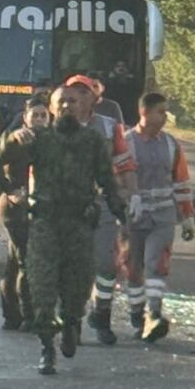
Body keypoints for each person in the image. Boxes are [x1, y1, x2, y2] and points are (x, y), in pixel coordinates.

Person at [0, 85, 127, 375]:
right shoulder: (39, 139)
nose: (67, 106)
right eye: (61, 102)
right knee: (42, 285)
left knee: (77, 287)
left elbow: (106, 178)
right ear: (51, 108)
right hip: (45, 224)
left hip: (78, 224)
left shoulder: (92, 140)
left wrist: (120, 210)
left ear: (83, 106)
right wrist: (12, 140)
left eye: (73, 101)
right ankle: (46, 348)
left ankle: (72, 324)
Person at [61, 74, 137, 346]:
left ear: (93, 98)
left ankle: (102, 315)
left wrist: (129, 196)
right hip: (67, 206)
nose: (77, 99)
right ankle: (73, 321)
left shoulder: (109, 127)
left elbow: (125, 164)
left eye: (83, 93)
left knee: (105, 263)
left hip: (102, 203)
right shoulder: (58, 127)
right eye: (72, 94)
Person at [121, 92, 195, 342]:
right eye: (160, 112)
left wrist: (187, 217)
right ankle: (136, 315)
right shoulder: (125, 142)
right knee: (133, 268)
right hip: (133, 215)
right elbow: (115, 177)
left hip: (163, 215)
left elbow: (181, 181)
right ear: (144, 113)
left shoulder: (171, 145)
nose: (165, 117)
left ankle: (154, 314)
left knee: (156, 264)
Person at [0, 95, 51, 330]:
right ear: (25, 118)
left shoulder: (50, 139)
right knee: (27, 261)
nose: (39, 120)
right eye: (35, 115)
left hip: (37, 206)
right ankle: (29, 316)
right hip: (14, 208)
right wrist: (9, 189)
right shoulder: (15, 138)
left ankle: (11, 316)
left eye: (43, 115)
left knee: (15, 261)